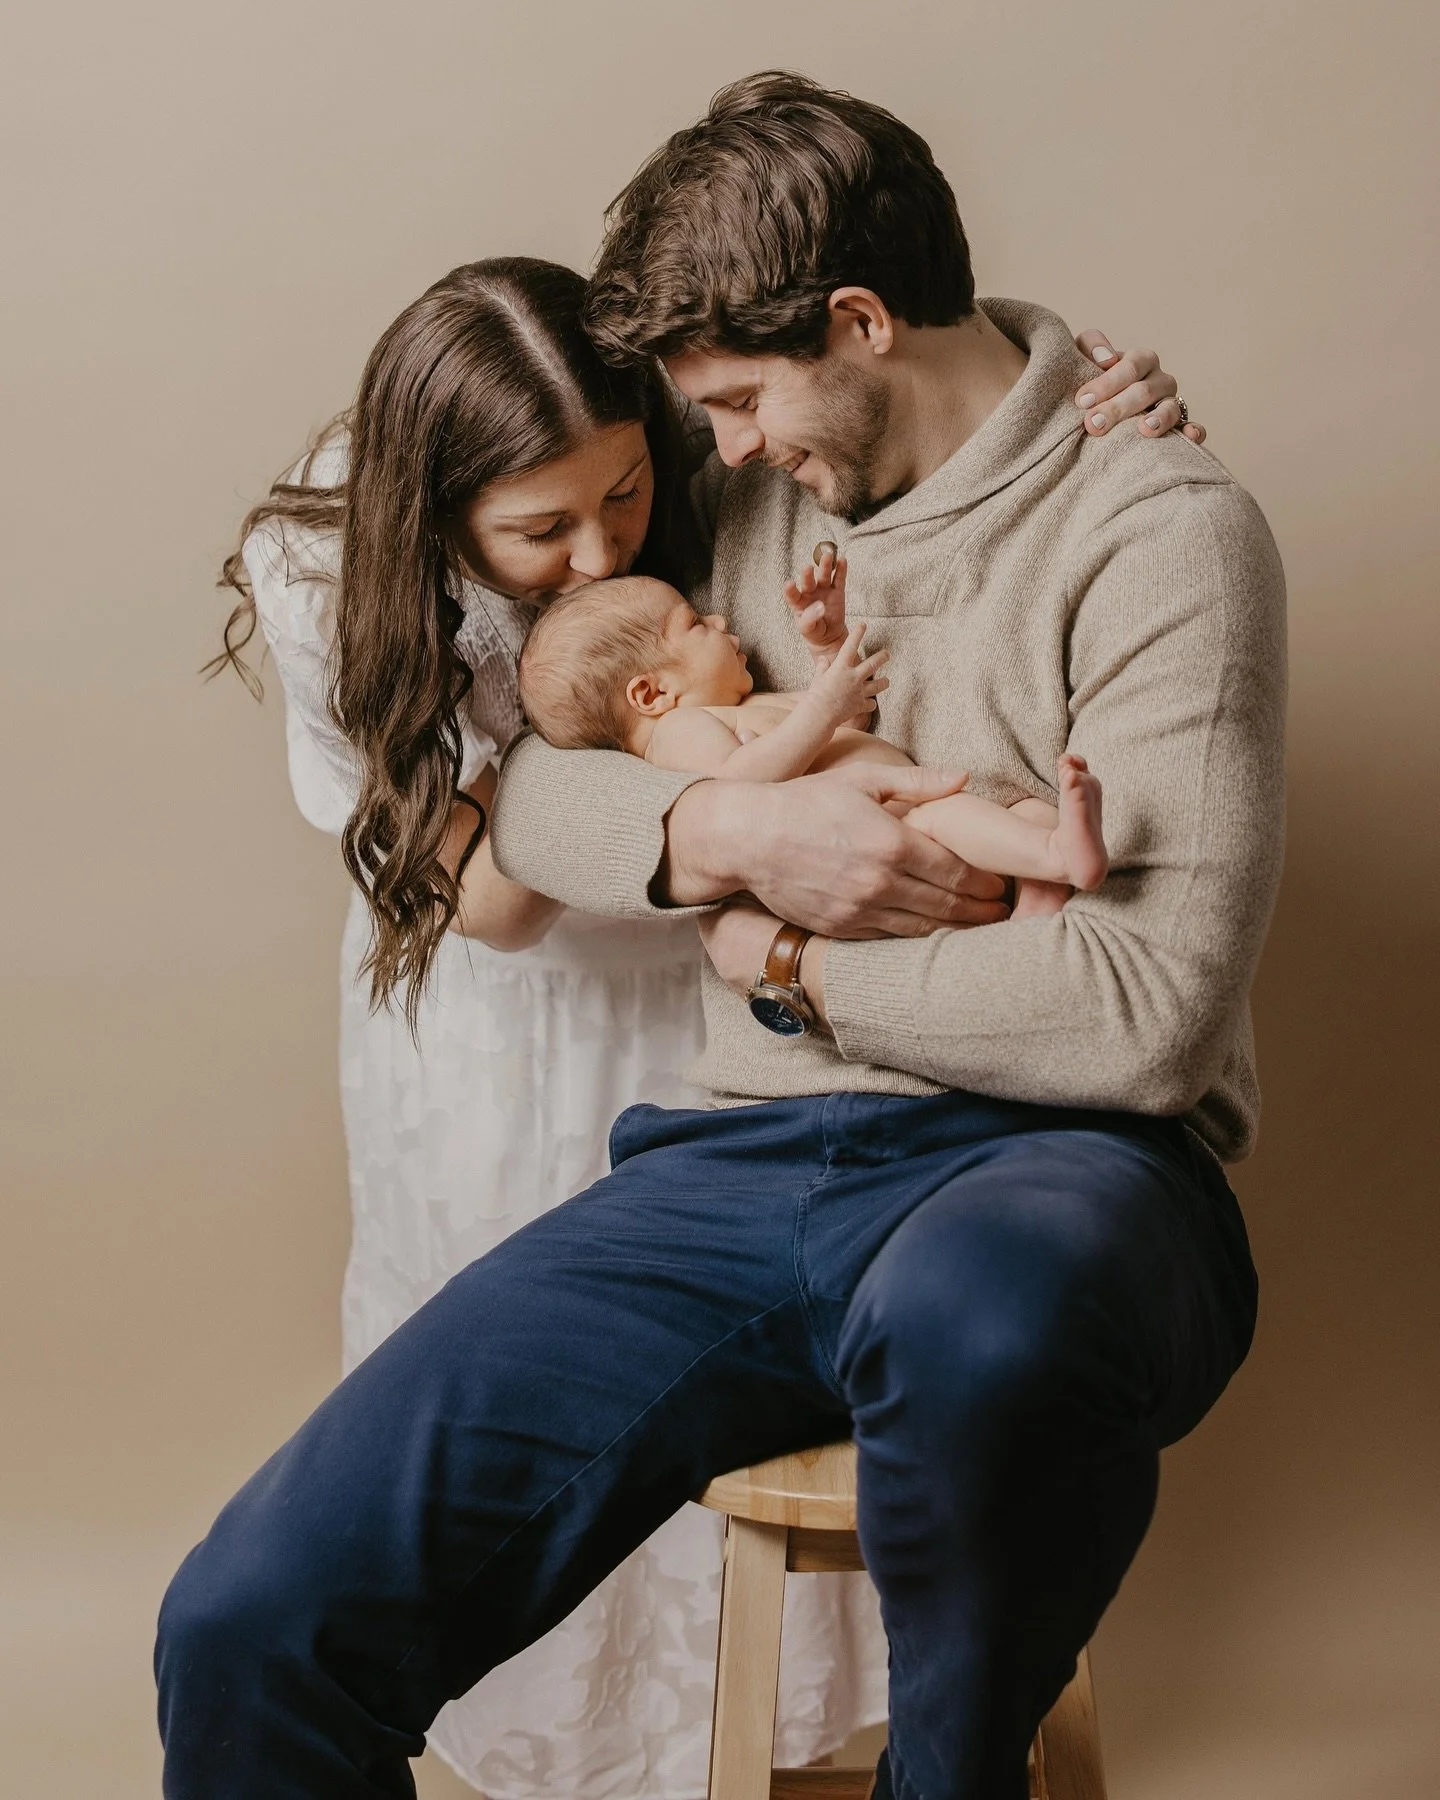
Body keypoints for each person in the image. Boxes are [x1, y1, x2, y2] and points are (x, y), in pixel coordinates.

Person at [161, 77, 1243, 1799]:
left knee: (978, 1324)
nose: (708, 454)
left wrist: (801, 966)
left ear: (862, 323)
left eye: (735, 400)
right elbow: (533, 801)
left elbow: (1144, 1018)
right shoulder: (745, 503)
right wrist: (716, 833)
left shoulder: (1158, 529)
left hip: (1060, 1165)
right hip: (738, 1165)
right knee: (243, 1623)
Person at [517, 570, 1108, 901]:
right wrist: (821, 708)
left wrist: (827, 655)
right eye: (694, 623)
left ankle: (1047, 877)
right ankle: (1057, 860)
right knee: (950, 820)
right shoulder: (679, 734)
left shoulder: (744, 707)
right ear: (651, 695)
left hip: (901, 805)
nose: (720, 621)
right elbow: (740, 786)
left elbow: (844, 730)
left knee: (1027, 810)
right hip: (887, 828)